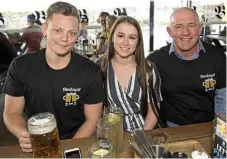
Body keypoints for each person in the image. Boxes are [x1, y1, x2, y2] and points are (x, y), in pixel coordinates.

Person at [3, 1, 104, 153]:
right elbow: (11, 112)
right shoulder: (21, 66)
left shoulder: (91, 71)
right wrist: (24, 134)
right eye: (58, 30)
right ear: (45, 29)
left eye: (72, 33)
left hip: (78, 139)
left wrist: (69, 149)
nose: (65, 38)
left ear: (78, 34)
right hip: (38, 140)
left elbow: (92, 119)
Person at [147, 7, 226, 127]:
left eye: (191, 25)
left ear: (200, 29)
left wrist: (219, 130)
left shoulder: (217, 56)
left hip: (208, 125)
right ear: (170, 31)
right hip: (171, 128)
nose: (185, 32)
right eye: (178, 26)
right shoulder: (155, 60)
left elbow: (223, 97)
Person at [98, 16, 163, 132]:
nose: (126, 42)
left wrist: (142, 137)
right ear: (112, 37)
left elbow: (153, 111)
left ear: (138, 42)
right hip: (111, 132)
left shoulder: (148, 70)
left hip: (143, 130)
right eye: (120, 36)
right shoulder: (100, 68)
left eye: (132, 37)